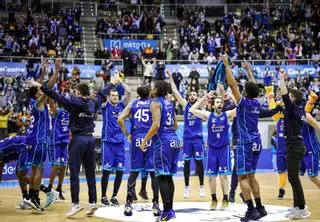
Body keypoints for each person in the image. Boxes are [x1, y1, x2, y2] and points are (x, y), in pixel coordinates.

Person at [27, 72, 117, 217]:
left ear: (79, 92)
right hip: (90, 140)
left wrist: (39, 85)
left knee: (74, 174)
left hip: (77, 140)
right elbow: (103, 92)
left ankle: (75, 204)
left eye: (76, 92)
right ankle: (93, 202)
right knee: (90, 173)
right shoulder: (94, 102)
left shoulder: (74, 103)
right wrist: (113, 81)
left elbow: (55, 95)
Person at [223, 55, 282, 221]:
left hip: (245, 143)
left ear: (245, 93)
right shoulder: (256, 103)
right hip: (257, 142)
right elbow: (253, 87)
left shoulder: (243, 103)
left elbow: (232, 84)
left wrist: (227, 66)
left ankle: (250, 211)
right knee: (252, 176)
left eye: (244, 90)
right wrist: (249, 71)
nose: (240, 90)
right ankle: (260, 207)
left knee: (242, 176)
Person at [117, 85, 161, 217]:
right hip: (150, 137)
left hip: (136, 138)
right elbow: (157, 123)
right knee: (153, 173)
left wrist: (127, 134)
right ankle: (155, 204)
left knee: (134, 171)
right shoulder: (154, 104)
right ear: (149, 93)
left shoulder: (133, 104)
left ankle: (128, 204)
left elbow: (120, 119)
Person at [140, 80, 180, 221]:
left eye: (153, 87)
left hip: (163, 143)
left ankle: (167, 211)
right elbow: (176, 125)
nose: (151, 89)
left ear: (157, 90)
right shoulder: (169, 102)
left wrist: (145, 140)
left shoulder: (155, 103)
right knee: (168, 177)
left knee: (162, 177)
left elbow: (156, 125)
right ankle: (170, 210)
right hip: (174, 140)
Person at [190, 92, 236, 210]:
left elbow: (240, 107)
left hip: (224, 149)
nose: (219, 103)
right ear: (213, 105)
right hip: (211, 150)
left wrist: (231, 96)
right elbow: (192, 109)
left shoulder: (227, 115)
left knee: (223, 176)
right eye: (217, 102)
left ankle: (225, 198)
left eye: (221, 102)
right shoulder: (208, 115)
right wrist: (205, 97)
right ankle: (214, 199)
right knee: (211, 177)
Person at [278, 70, 311, 220]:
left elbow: (284, 94)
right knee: (293, 178)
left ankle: (302, 208)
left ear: (293, 98)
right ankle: (297, 206)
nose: (287, 98)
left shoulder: (292, 107)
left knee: (293, 178)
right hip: (296, 146)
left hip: (295, 147)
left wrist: (281, 78)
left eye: (290, 97)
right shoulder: (296, 108)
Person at [167, 70, 205, 199]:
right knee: (187, 163)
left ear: (198, 97)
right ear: (189, 96)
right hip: (187, 139)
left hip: (198, 139)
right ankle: (187, 188)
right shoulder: (186, 105)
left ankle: (201, 186)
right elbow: (176, 93)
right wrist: (171, 78)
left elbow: (209, 97)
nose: (193, 96)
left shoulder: (200, 107)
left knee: (199, 163)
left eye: (195, 94)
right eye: (191, 94)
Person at [100, 76, 131, 207]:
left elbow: (129, 92)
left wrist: (121, 82)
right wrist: (111, 82)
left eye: (116, 95)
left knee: (120, 172)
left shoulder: (122, 105)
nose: (115, 97)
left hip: (120, 143)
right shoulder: (105, 105)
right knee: (106, 171)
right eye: (112, 95)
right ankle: (103, 196)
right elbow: (102, 94)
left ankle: (114, 196)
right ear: (108, 97)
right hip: (108, 143)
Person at [40, 98, 70, 201]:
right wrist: (50, 93)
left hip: (64, 142)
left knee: (63, 166)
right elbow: (52, 105)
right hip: (55, 141)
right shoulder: (58, 111)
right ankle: (49, 188)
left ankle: (59, 188)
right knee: (56, 165)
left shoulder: (70, 113)